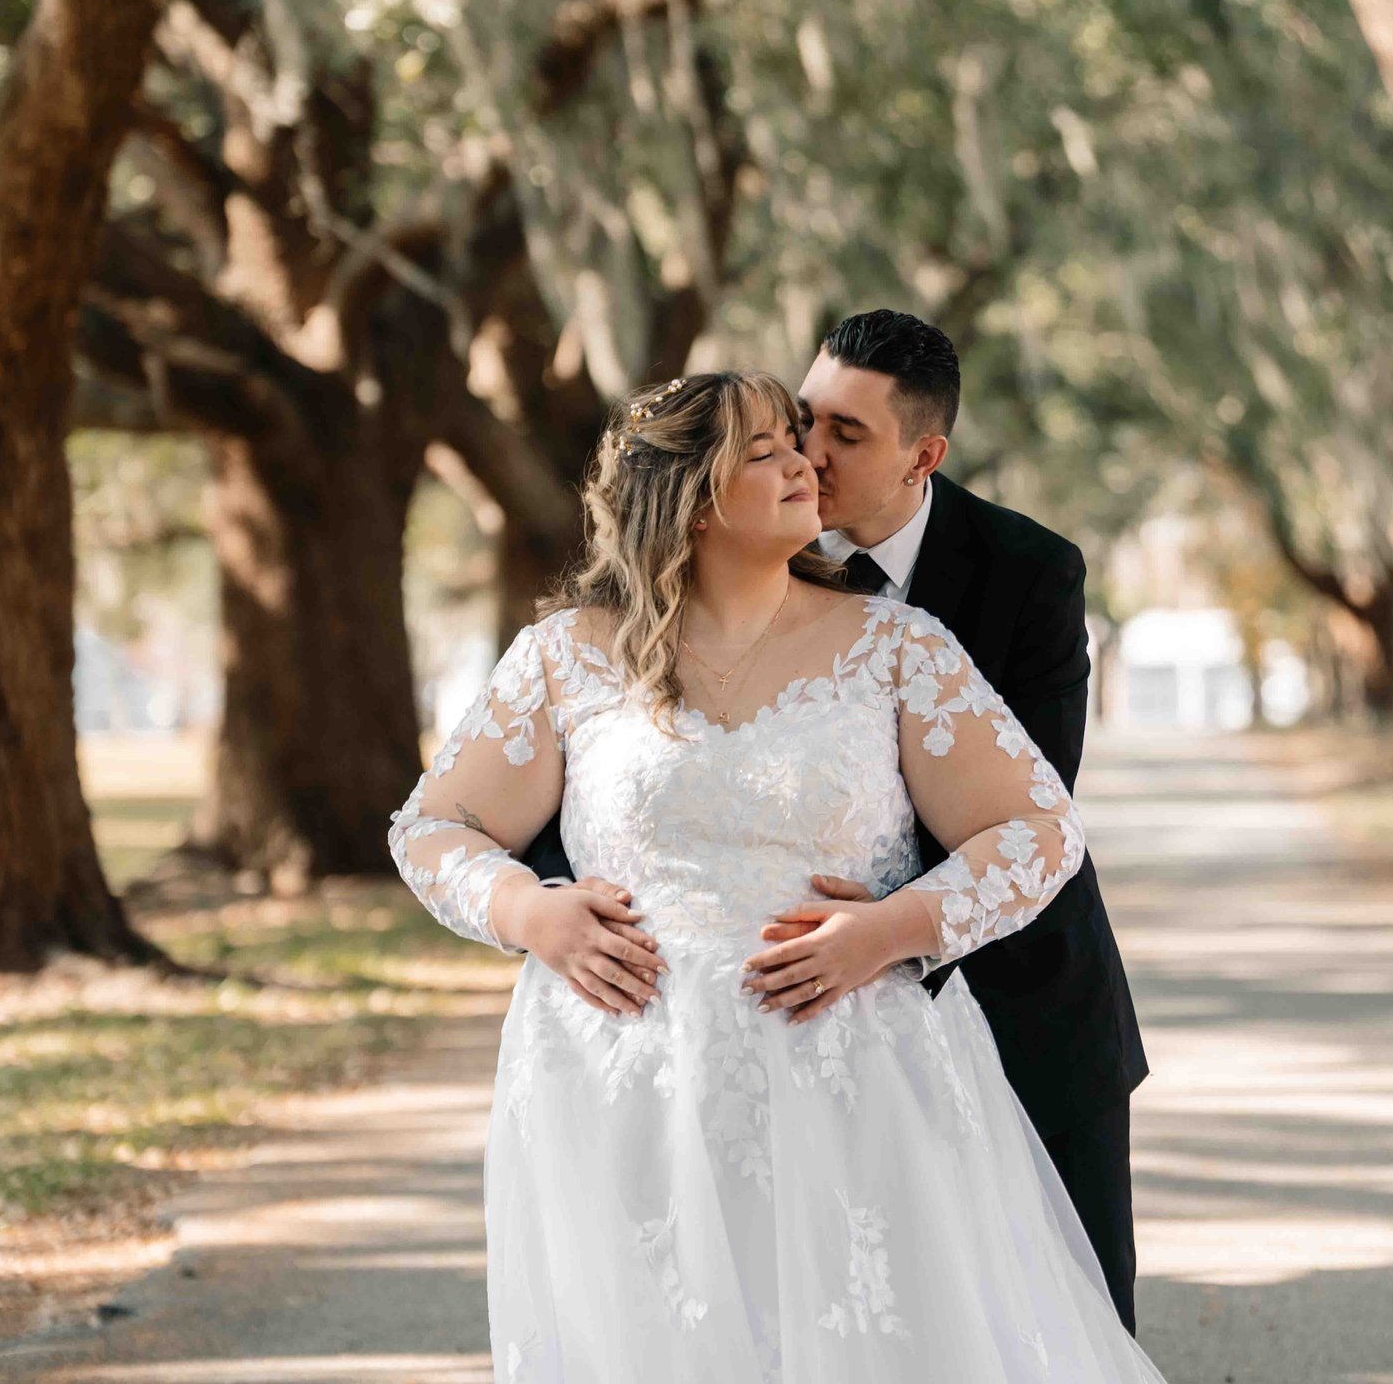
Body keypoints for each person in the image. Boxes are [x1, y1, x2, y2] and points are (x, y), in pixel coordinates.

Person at [391, 369, 1168, 1381]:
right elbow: (433, 827)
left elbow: (1036, 827)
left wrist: (897, 927)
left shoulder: (895, 649)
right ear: (690, 495)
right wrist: (530, 914)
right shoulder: (563, 659)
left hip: (856, 1081)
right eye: (766, 449)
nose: (804, 461)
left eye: (796, 441)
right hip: (620, 1088)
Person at [794, 309, 1149, 1330]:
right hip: (816, 1018)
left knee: (1071, 1313)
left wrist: (882, 928)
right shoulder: (750, 561)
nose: (810, 453)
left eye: (847, 435)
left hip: (1022, 996)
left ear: (925, 455)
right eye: (805, 418)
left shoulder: (1029, 570)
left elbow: (1036, 804)